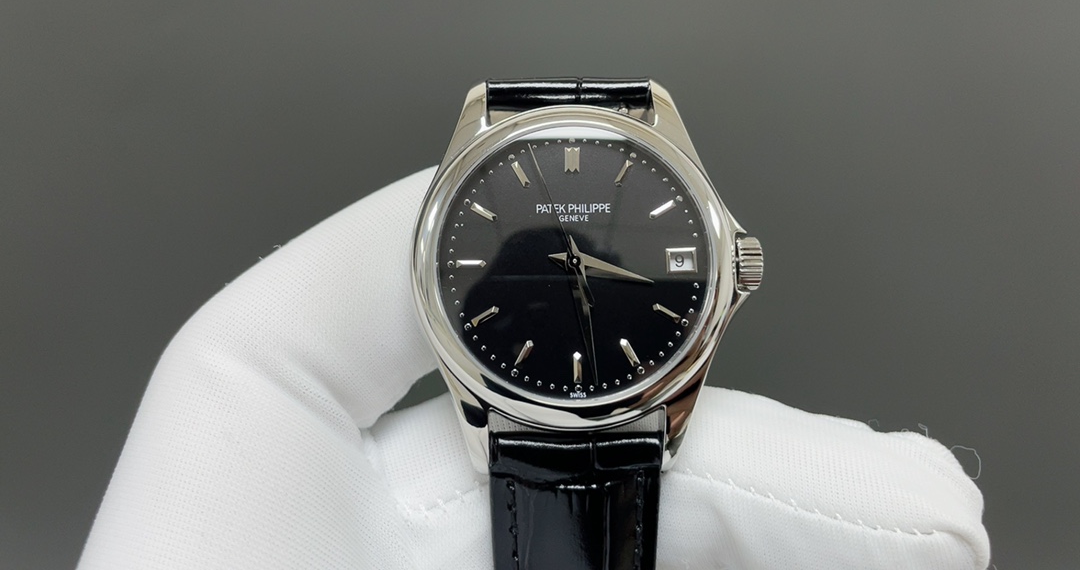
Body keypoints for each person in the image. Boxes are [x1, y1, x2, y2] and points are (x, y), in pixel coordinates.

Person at [78, 169, 991, 569]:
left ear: (731, 270)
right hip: (512, 402)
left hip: (622, 400)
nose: (575, 268)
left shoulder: (662, 280)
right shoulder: (489, 286)